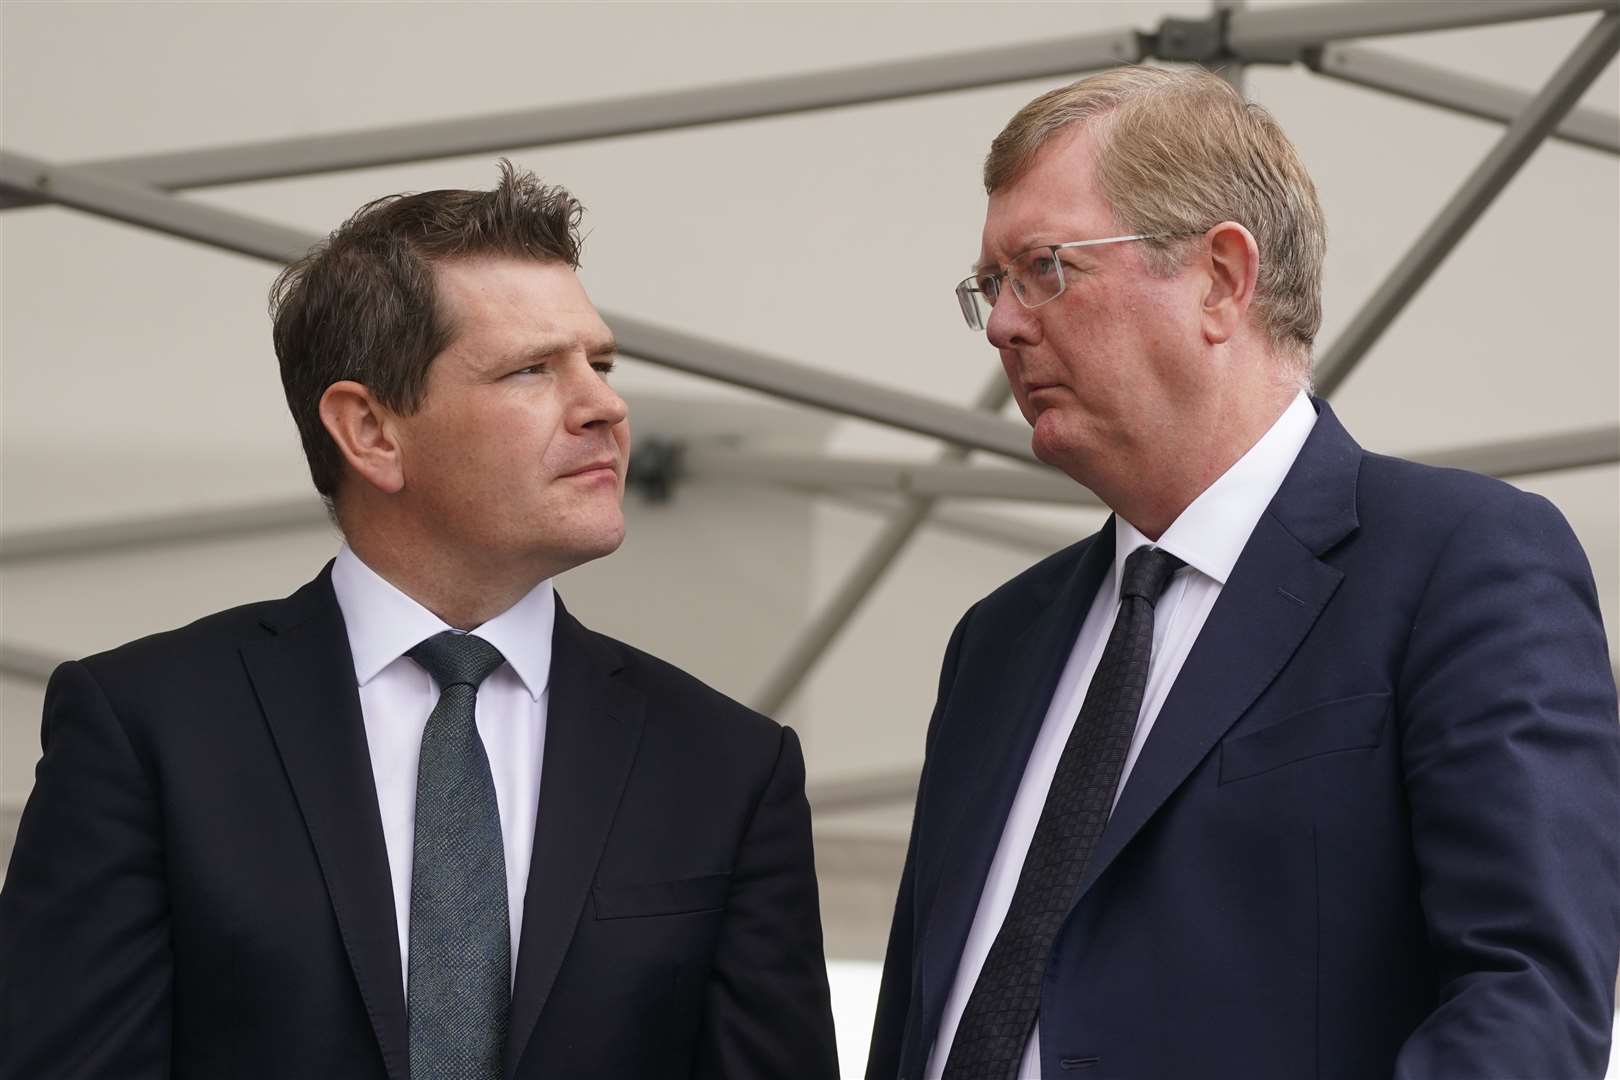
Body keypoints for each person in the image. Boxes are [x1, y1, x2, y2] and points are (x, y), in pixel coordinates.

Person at [0, 163, 838, 1080]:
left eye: (598, 363)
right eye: (531, 370)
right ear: (369, 432)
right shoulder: (146, 729)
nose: (606, 405)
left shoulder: (726, 766)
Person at [868, 66, 1620, 1080]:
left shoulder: (1458, 561)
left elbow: (1525, 998)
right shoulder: (996, 642)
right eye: (991, 285)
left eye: (1044, 267)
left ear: (1222, 277)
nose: (1003, 322)